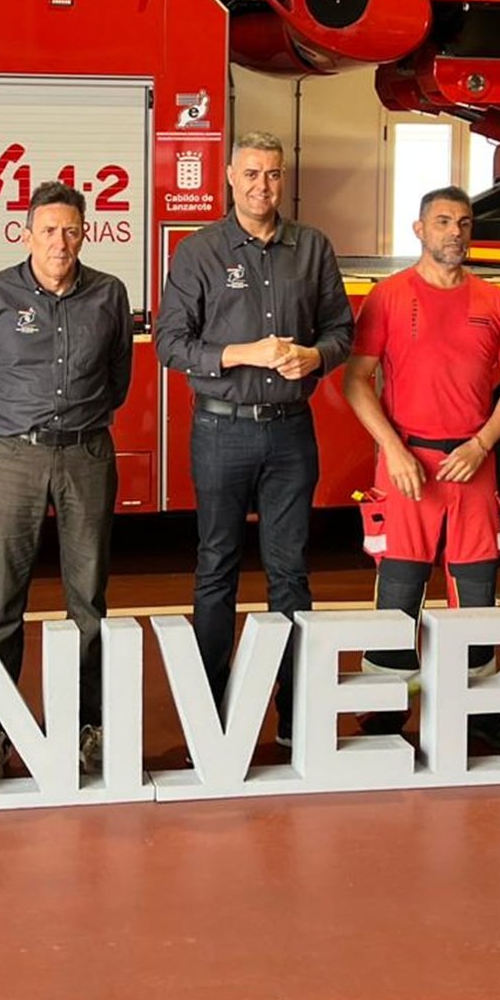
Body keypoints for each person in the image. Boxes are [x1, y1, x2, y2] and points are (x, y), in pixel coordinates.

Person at [157, 131, 354, 742]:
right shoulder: (199, 252)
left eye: (272, 175)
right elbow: (170, 343)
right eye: (251, 174)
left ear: (282, 180)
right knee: (215, 568)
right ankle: (209, 717)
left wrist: (313, 358)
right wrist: (244, 353)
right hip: (221, 429)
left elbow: (341, 331)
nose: (261, 186)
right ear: (229, 179)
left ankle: (295, 717)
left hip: (292, 434)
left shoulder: (312, 248)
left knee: (290, 574)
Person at [0, 181, 134, 780]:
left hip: (87, 455)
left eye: (71, 230)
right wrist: (17, 427)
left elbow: (118, 379)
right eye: (49, 230)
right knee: (3, 602)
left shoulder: (110, 295)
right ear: (26, 233)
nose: (60, 242)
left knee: (89, 602)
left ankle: (90, 727)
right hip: (15, 457)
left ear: (85, 232)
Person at [342, 185, 500, 728]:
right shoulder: (389, 296)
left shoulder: (496, 301)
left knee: (476, 593)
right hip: (409, 466)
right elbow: (357, 381)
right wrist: (393, 450)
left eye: (464, 223)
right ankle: (384, 707)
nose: (455, 232)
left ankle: (475, 711)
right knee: (400, 588)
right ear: (419, 230)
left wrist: (481, 444)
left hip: (472, 466)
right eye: (443, 222)